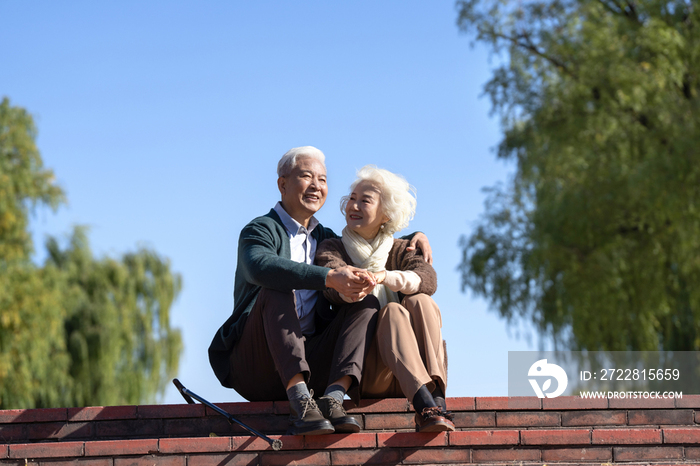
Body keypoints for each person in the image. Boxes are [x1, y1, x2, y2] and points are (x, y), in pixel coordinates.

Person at [208, 147, 432, 436]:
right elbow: (260, 267)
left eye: (323, 179)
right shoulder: (260, 229)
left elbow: (372, 237)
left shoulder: (326, 239)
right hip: (258, 364)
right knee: (276, 289)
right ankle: (299, 399)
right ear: (283, 184)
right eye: (306, 176)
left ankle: (332, 399)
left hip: (313, 360)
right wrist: (328, 277)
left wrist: (415, 236)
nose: (316, 185)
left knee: (364, 303)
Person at [315, 165, 454, 433]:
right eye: (351, 199)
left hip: (408, 368)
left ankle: (436, 398)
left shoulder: (402, 248)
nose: (353, 205)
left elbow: (428, 279)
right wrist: (350, 284)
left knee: (420, 301)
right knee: (392, 311)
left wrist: (383, 277)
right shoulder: (333, 247)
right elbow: (331, 286)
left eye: (364, 200)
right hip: (366, 371)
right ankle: (425, 405)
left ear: (386, 214)